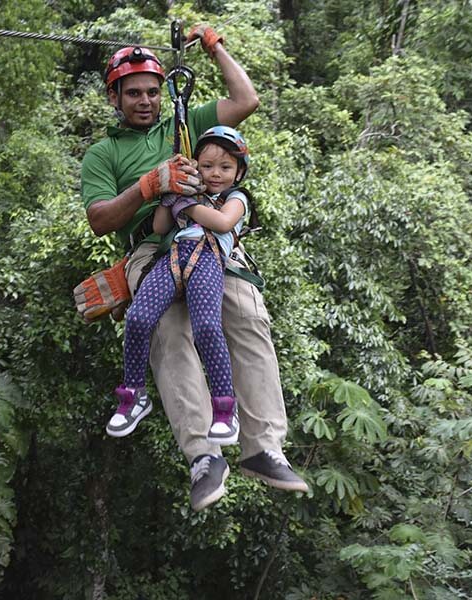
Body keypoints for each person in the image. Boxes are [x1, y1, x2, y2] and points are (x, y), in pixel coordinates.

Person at [81, 26, 309, 513]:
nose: (145, 101)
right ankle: (204, 457)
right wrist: (147, 186)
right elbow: (100, 219)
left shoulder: (183, 123)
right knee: (167, 327)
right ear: (115, 97)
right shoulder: (104, 154)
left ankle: (264, 448)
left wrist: (214, 47)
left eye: (152, 91)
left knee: (246, 314)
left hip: (210, 241)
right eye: (134, 93)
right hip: (153, 247)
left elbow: (246, 99)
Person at [107, 126, 254, 449]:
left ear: (239, 171)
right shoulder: (189, 194)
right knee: (138, 318)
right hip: (174, 258)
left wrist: (184, 205)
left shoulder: (236, 198)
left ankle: (224, 409)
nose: (215, 174)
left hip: (208, 260)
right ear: (196, 166)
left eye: (225, 167)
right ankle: (133, 394)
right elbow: (161, 227)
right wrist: (167, 196)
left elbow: (223, 223)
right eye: (207, 166)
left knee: (205, 328)